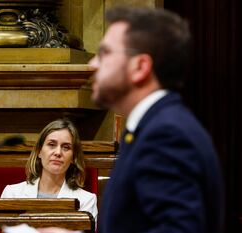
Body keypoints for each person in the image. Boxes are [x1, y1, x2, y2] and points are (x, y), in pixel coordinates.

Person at [86, 7, 223, 233]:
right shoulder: (153, 127)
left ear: (140, 67)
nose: (92, 64)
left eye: (104, 53)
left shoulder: (166, 135)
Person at [1, 119, 98, 223]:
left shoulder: (86, 200)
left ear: (73, 158)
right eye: (52, 144)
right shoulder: (12, 193)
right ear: (39, 151)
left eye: (66, 147)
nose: (58, 152)